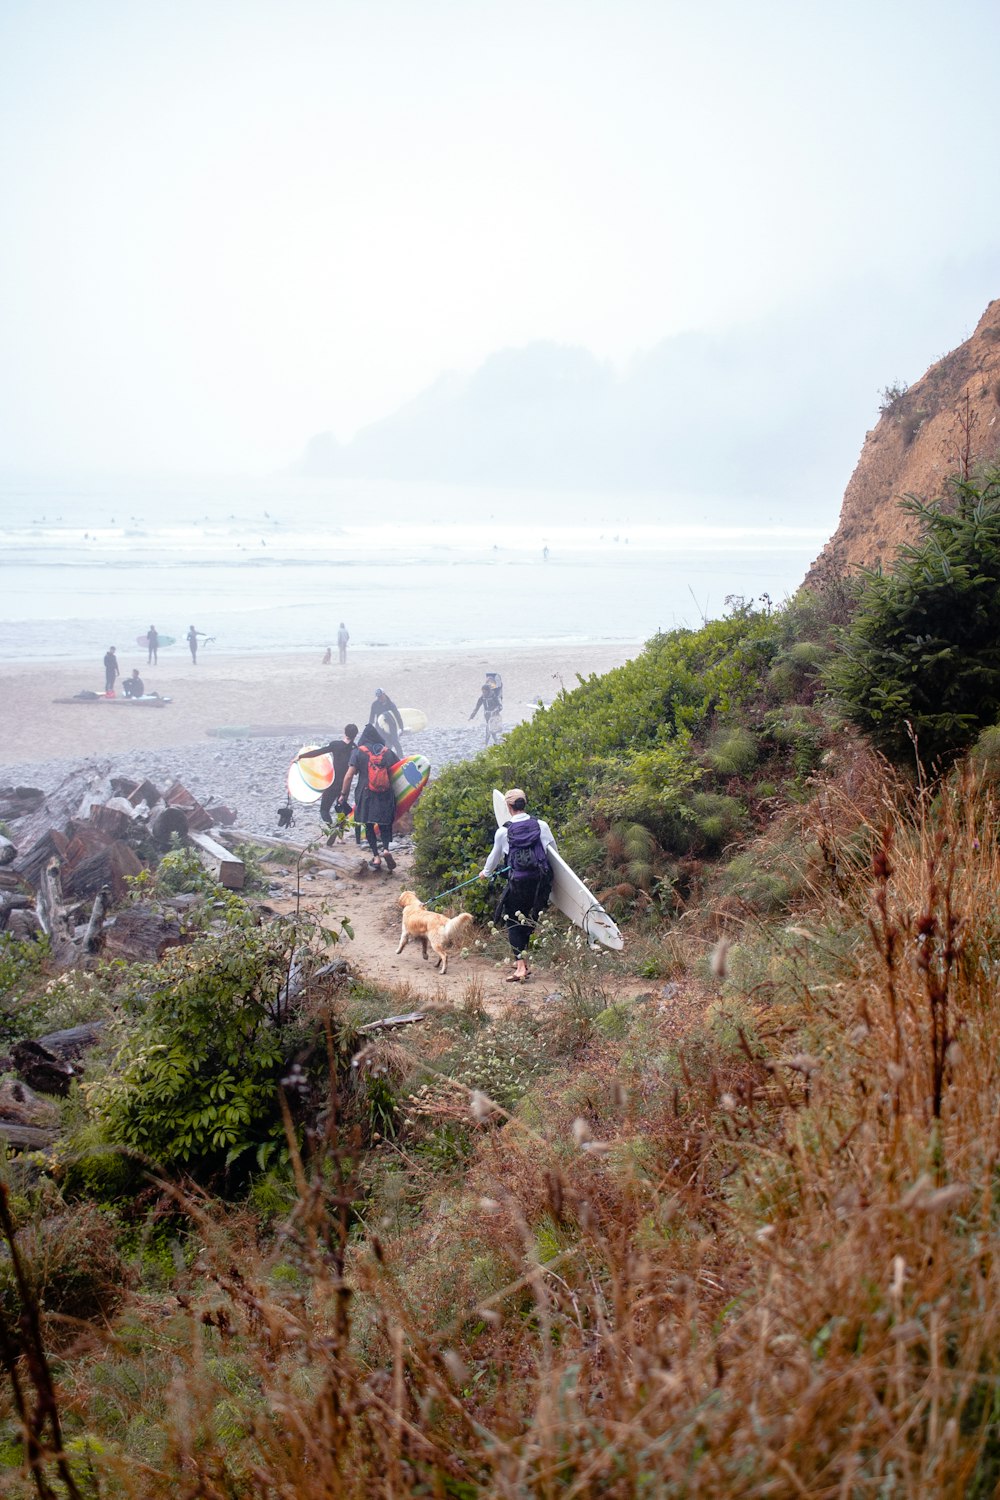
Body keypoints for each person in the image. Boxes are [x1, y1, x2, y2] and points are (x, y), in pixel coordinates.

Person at [480, 787, 556, 983]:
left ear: (508, 806)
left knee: (513, 920)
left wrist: (485, 874)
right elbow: (554, 854)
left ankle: (520, 966)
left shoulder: (503, 831)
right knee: (530, 917)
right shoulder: (541, 825)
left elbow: (494, 857)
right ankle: (522, 958)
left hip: (518, 883)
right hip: (540, 881)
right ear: (525, 803)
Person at [341, 723, 397, 870]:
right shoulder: (387, 752)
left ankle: (376, 857)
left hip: (365, 793)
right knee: (385, 823)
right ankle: (386, 849)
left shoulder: (358, 752)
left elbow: (348, 776)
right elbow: (399, 771)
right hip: (385, 793)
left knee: (368, 824)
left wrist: (343, 796)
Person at [295, 723, 358, 826]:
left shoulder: (335, 744)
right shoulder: (355, 749)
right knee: (341, 810)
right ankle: (340, 837)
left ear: (345, 732)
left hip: (333, 783)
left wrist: (301, 756)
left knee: (324, 810)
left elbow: (319, 752)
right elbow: (356, 770)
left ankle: (331, 828)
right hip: (345, 784)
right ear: (355, 735)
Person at [469, 671, 504, 745]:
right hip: (487, 715)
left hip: (494, 715)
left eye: (485, 692)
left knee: (490, 728)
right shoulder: (482, 698)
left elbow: (500, 706)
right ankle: (493, 742)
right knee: (490, 728)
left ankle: (488, 742)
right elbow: (477, 707)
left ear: (488, 691)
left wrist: (495, 710)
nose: (484, 693)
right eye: (483, 692)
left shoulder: (494, 696)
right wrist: (472, 716)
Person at [368, 688, 403, 758]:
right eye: (378, 697)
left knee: (395, 741)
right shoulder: (375, 704)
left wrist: (401, 728)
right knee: (385, 743)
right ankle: (387, 758)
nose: (380, 698)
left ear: (384, 694)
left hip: (391, 725)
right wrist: (370, 728)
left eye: (381, 696)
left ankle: (401, 757)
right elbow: (371, 717)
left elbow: (397, 716)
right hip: (380, 726)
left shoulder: (391, 704)